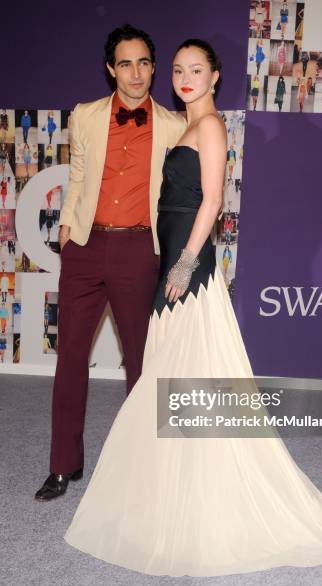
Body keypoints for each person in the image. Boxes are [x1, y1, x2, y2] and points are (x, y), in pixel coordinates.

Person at [64, 39, 322, 576]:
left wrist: (182, 266)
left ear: (216, 76)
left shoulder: (213, 127)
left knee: (181, 380)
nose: (184, 78)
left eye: (196, 70)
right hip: (174, 268)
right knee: (174, 382)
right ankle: (175, 491)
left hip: (188, 276)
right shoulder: (185, 125)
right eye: (177, 70)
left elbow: (214, 201)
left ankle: (200, 499)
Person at [34, 25, 186, 502]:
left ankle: (142, 468)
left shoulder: (175, 126)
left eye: (144, 62)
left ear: (154, 68)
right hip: (84, 247)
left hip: (139, 251)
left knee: (141, 364)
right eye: (125, 63)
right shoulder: (85, 116)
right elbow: (78, 177)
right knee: (70, 360)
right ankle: (63, 465)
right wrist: (65, 231)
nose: (136, 73)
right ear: (110, 68)